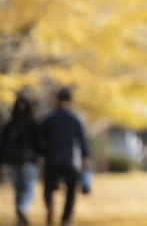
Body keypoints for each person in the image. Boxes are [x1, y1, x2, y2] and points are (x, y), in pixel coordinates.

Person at [41, 87, 90, 226]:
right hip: (71, 160)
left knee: (48, 187)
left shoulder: (49, 118)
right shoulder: (76, 119)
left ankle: (49, 202)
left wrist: (42, 155)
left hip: (52, 159)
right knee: (71, 191)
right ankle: (65, 219)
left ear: (57, 99)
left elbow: (41, 140)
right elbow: (82, 141)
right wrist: (85, 159)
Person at [0, 95, 43, 225]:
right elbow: (39, 143)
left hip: (12, 161)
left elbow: (3, 143)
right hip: (28, 161)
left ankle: (19, 217)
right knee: (29, 187)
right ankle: (23, 208)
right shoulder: (32, 123)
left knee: (18, 189)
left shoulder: (10, 124)